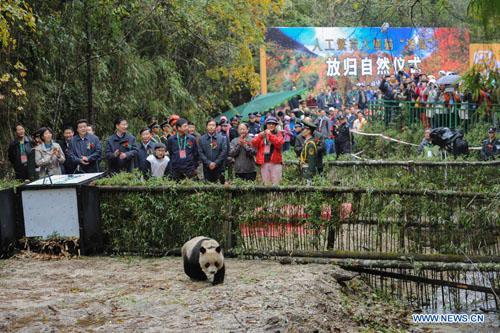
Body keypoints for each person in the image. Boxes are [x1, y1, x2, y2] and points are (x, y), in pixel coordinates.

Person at [252, 116, 284, 186]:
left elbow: (279, 144)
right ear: (266, 125)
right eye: (269, 124)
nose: (271, 125)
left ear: (276, 125)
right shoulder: (261, 134)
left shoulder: (279, 134)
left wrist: (270, 135)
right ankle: (268, 197)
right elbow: (254, 143)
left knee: (276, 184)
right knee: (266, 184)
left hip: (276, 162)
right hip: (264, 162)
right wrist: (260, 136)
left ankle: (276, 197)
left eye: (273, 124)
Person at [198, 119, 228, 183]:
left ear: (216, 127)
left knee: (220, 186)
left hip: (219, 166)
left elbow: (224, 151)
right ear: (206, 126)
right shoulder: (202, 139)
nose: (211, 127)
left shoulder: (222, 138)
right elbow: (200, 152)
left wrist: (216, 163)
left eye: (213, 125)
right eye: (209, 125)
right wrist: (208, 163)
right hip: (207, 167)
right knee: (208, 186)